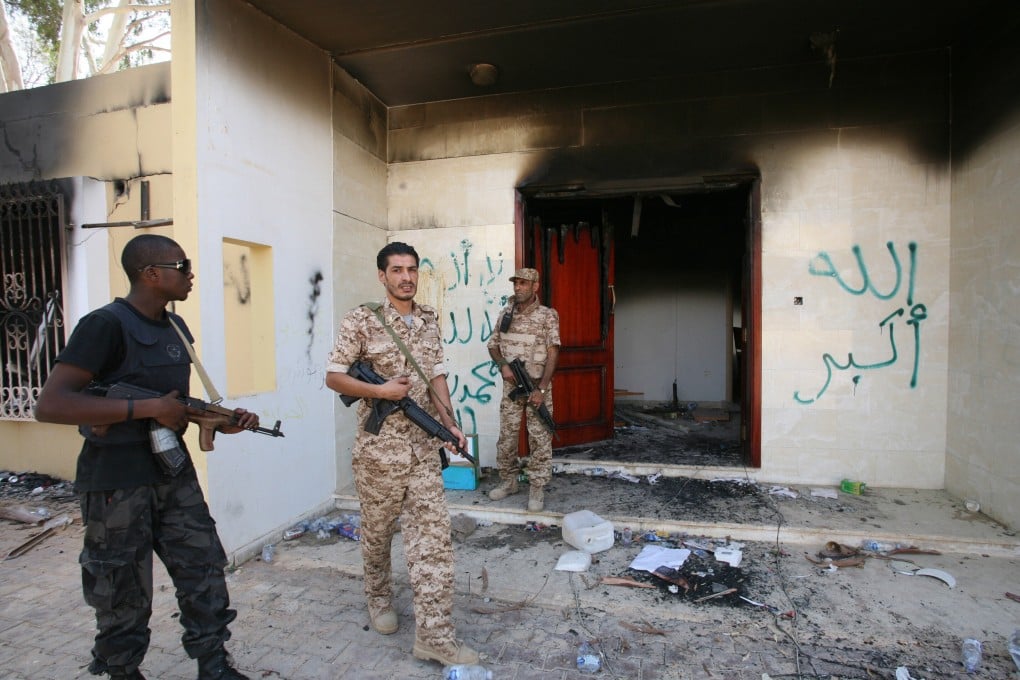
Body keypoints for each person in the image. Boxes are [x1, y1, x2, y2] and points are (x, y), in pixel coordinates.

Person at [34, 234, 254, 680]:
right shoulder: (105, 324)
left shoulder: (176, 329)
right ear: (151, 274)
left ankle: (213, 663)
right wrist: (146, 409)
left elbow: (170, 401)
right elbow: (52, 404)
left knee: (203, 569)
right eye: (183, 266)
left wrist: (212, 418)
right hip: (115, 481)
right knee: (120, 587)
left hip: (171, 472)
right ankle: (121, 670)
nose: (191, 275)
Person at [324, 241, 480, 667]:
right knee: (376, 534)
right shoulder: (362, 320)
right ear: (382, 275)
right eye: (397, 270)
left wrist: (449, 422)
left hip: (424, 452)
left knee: (433, 541)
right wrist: (379, 391)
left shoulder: (429, 320)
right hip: (379, 453)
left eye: (411, 269)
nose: (406, 277)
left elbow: (436, 374)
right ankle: (378, 596)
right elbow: (334, 377)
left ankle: (435, 635)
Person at [486, 267, 561, 512]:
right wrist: (503, 366)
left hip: (536, 387)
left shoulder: (547, 316)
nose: (518, 287)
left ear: (535, 286)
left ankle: (537, 488)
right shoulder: (505, 314)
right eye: (516, 283)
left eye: (524, 283)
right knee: (507, 437)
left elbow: (553, 354)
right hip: (512, 387)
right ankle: (508, 482)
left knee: (539, 438)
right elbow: (493, 346)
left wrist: (541, 388)